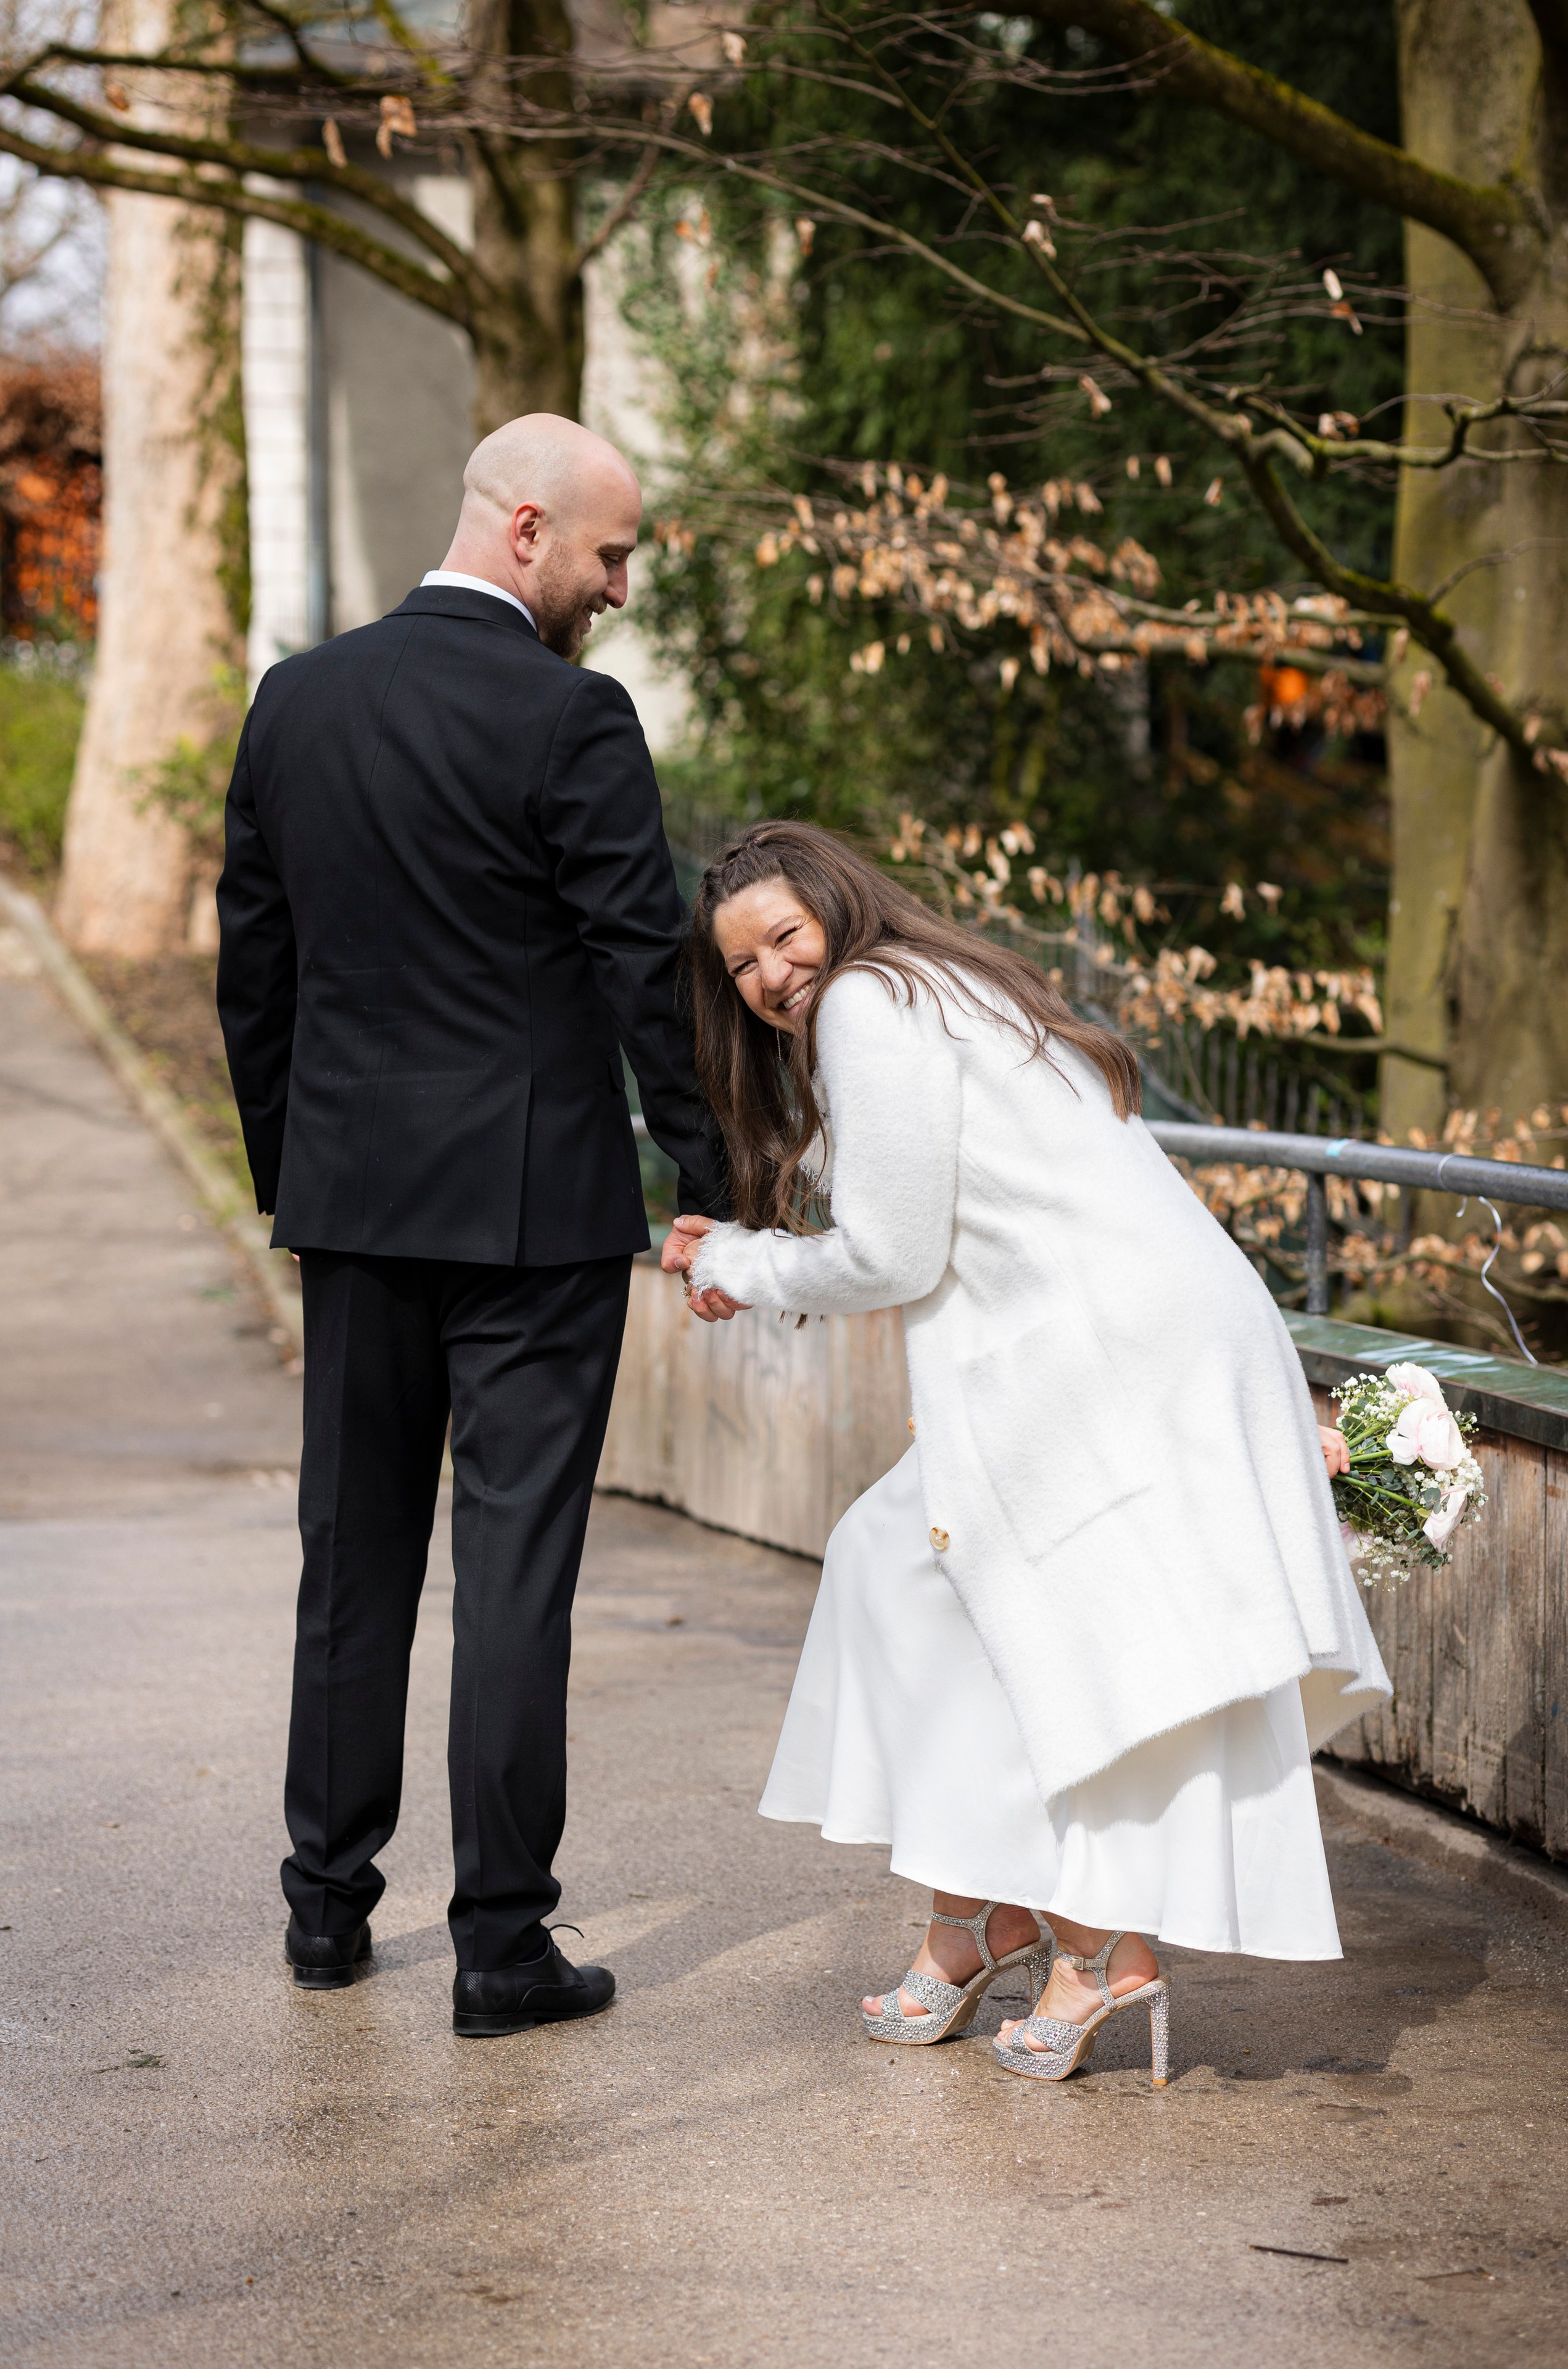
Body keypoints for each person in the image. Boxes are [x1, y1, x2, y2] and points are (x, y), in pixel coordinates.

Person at [661, 819, 1389, 2085]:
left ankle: (1087, 1944)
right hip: (1116, 1340)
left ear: (834, 908)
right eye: (742, 966)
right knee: (900, 1573)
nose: (774, 976)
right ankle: (984, 1914)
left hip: (1103, 1357)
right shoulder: (932, 987)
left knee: (1052, 1643)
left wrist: (729, 1257)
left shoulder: (868, 1005)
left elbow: (891, 1255)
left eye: (784, 937)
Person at [217, 413, 727, 2036]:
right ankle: (501, 1949)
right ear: (523, 531)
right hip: (535, 1220)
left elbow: (257, 967)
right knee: (516, 1571)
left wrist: (289, 1172)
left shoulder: (296, 701)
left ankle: (325, 1915)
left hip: (356, 1205)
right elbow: (643, 963)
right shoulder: (571, 717)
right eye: (609, 551)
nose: (621, 587)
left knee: (350, 1563)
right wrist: (708, 1175)